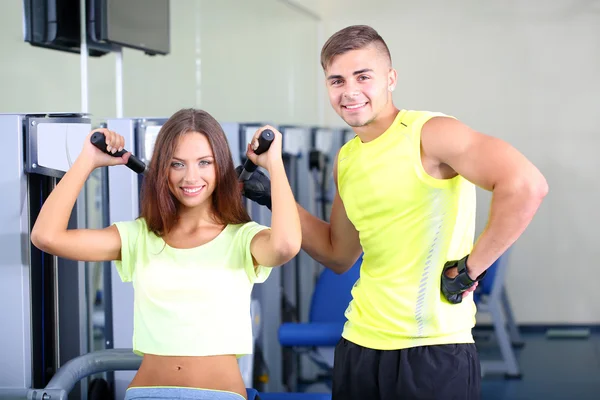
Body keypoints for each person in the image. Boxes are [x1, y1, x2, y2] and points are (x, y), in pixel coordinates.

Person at [239, 25, 548, 399]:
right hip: (358, 342)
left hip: (432, 349)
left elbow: (526, 185)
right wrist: (276, 193)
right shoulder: (347, 159)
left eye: (363, 76)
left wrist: (469, 271)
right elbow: (338, 253)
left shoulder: (431, 133)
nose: (349, 91)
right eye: (336, 80)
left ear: (391, 79)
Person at [31, 108, 301, 400]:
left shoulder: (243, 237)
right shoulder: (139, 236)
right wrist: (87, 161)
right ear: (163, 170)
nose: (191, 176)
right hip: (148, 393)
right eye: (177, 164)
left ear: (220, 167)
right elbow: (46, 236)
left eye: (204, 162)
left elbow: (286, 246)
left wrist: (274, 164)